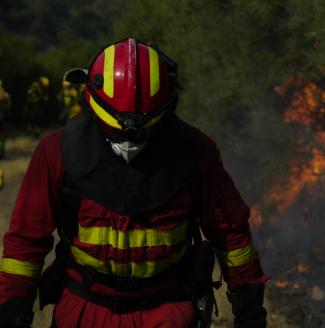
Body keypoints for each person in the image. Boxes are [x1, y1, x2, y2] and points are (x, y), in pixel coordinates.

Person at [0, 38, 268, 328]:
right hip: (84, 312)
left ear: (166, 109)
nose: (128, 141)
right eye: (114, 130)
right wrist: (13, 310)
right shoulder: (57, 152)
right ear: (92, 104)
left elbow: (231, 237)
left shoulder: (196, 154)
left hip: (167, 312)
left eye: (141, 132)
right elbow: (25, 243)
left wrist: (249, 311)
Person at [0, 80, 10, 159]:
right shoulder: (5, 94)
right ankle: (1, 152)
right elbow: (8, 106)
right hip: (2, 117)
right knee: (2, 136)